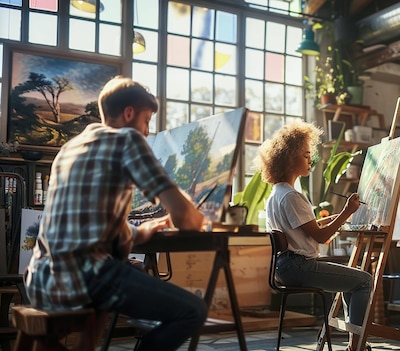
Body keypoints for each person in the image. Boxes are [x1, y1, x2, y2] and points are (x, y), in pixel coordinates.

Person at [24, 76, 209, 351]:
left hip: (39, 280)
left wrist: (142, 231)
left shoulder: (70, 148)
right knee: (193, 310)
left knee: (112, 266)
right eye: (147, 121)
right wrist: (198, 218)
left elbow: (91, 224)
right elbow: (186, 219)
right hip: (84, 279)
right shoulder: (127, 139)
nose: (147, 132)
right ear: (129, 113)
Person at [255, 120, 372, 351]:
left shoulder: (276, 195)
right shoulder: (292, 196)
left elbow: (302, 230)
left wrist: (333, 218)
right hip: (299, 267)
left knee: (353, 283)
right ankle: (357, 346)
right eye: (306, 155)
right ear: (289, 158)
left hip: (283, 267)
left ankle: (354, 344)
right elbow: (320, 238)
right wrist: (347, 212)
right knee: (364, 281)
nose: (311, 160)